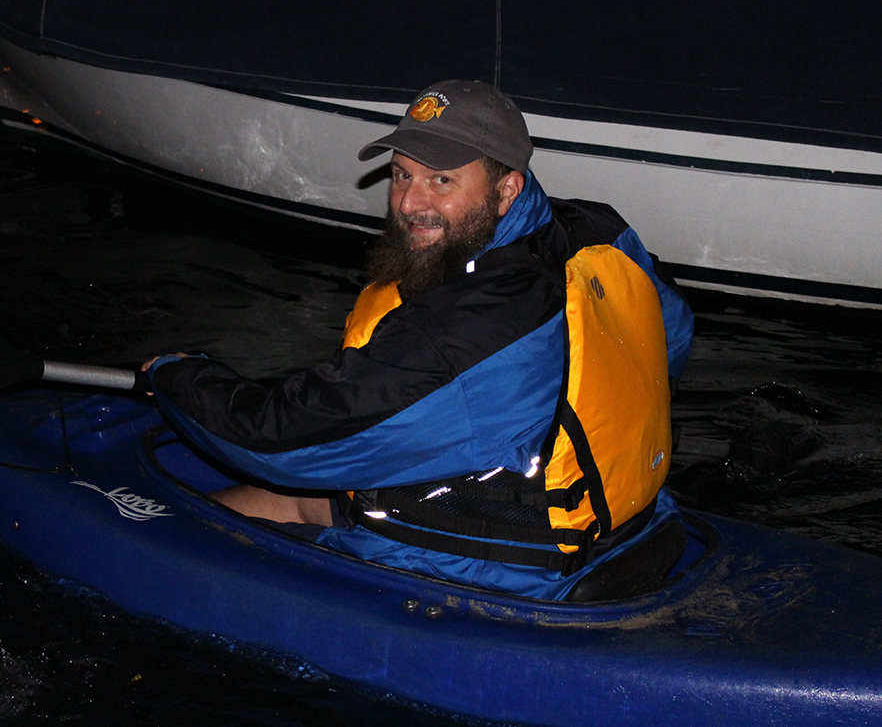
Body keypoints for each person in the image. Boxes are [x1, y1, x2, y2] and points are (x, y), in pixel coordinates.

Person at [144, 80, 694, 600]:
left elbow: (281, 440)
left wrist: (178, 375)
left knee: (188, 533)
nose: (409, 203)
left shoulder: (462, 336)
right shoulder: (599, 232)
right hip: (630, 527)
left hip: (506, 569)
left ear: (506, 190)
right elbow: (673, 328)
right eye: (402, 175)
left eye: (441, 181)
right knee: (283, 500)